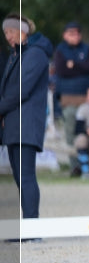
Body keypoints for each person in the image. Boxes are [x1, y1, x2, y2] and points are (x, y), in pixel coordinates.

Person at [0, 14, 52, 224]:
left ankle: (32, 226)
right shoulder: (18, 55)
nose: (8, 37)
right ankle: (27, 225)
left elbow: (21, 90)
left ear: (23, 31)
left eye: (11, 32)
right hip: (14, 123)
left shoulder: (35, 55)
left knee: (26, 176)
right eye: (5, 33)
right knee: (20, 177)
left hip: (25, 123)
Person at [53, 21, 89, 145]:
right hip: (68, 98)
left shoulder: (86, 48)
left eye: (77, 33)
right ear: (65, 35)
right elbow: (61, 70)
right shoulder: (60, 50)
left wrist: (75, 65)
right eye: (71, 33)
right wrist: (83, 68)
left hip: (86, 97)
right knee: (71, 128)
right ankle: (74, 162)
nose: (75, 36)